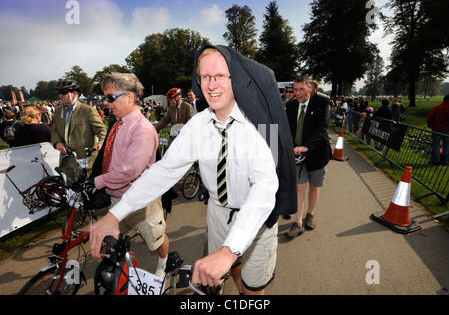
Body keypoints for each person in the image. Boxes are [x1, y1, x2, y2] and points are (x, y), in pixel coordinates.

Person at [89, 45, 295, 295]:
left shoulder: (261, 126)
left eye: (220, 76)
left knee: (253, 289)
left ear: (235, 78)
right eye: (205, 77)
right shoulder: (198, 125)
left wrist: (229, 251)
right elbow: (163, 171)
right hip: (218, 213)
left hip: (258, 219)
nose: (211, 84)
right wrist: (114, 215)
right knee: (225, 272)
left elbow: (264, 189)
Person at [87, 72, 169, 278]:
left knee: (156, 239)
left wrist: (97, 181)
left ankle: (163, 264)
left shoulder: (142, 129)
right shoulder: (118, 124)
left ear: (130, 97)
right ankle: (122, 273)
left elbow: (130, 170)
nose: (106, 103)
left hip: (142, 201)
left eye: (110, 97)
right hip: (118, 198)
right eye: (105, 97)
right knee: (112, 239)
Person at [285, 76, 332, 238]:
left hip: (317, 154)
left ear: (310, 88)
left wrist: (307, 146)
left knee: (314, 186)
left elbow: (322, 127)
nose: (298, 93)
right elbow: (287, 130)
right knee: (299, 187)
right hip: (297, 156)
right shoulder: (290, 106)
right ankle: (297, 223)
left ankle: (310, 214)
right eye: (295, 90)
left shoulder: (322, 103)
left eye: (301, 90)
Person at [50, 80, 107, 181]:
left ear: (75, 94)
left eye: (63, 92)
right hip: (66, 160)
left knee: (84, 193)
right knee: (68, 192)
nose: (60, 95)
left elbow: (102, 130)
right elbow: (54, 130)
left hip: (84, 160)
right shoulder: (58, 110)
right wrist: (57, 142)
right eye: (59, 93)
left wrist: (101, 143)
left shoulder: (88, 110)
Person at [427, 95, 449, 165]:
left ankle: (435, 160)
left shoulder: (437, 108)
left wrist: (430, 126)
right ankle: (444, 160)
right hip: (448, 130)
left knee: (436, 145)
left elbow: (430, 118)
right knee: (447, 146)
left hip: (437, 129)